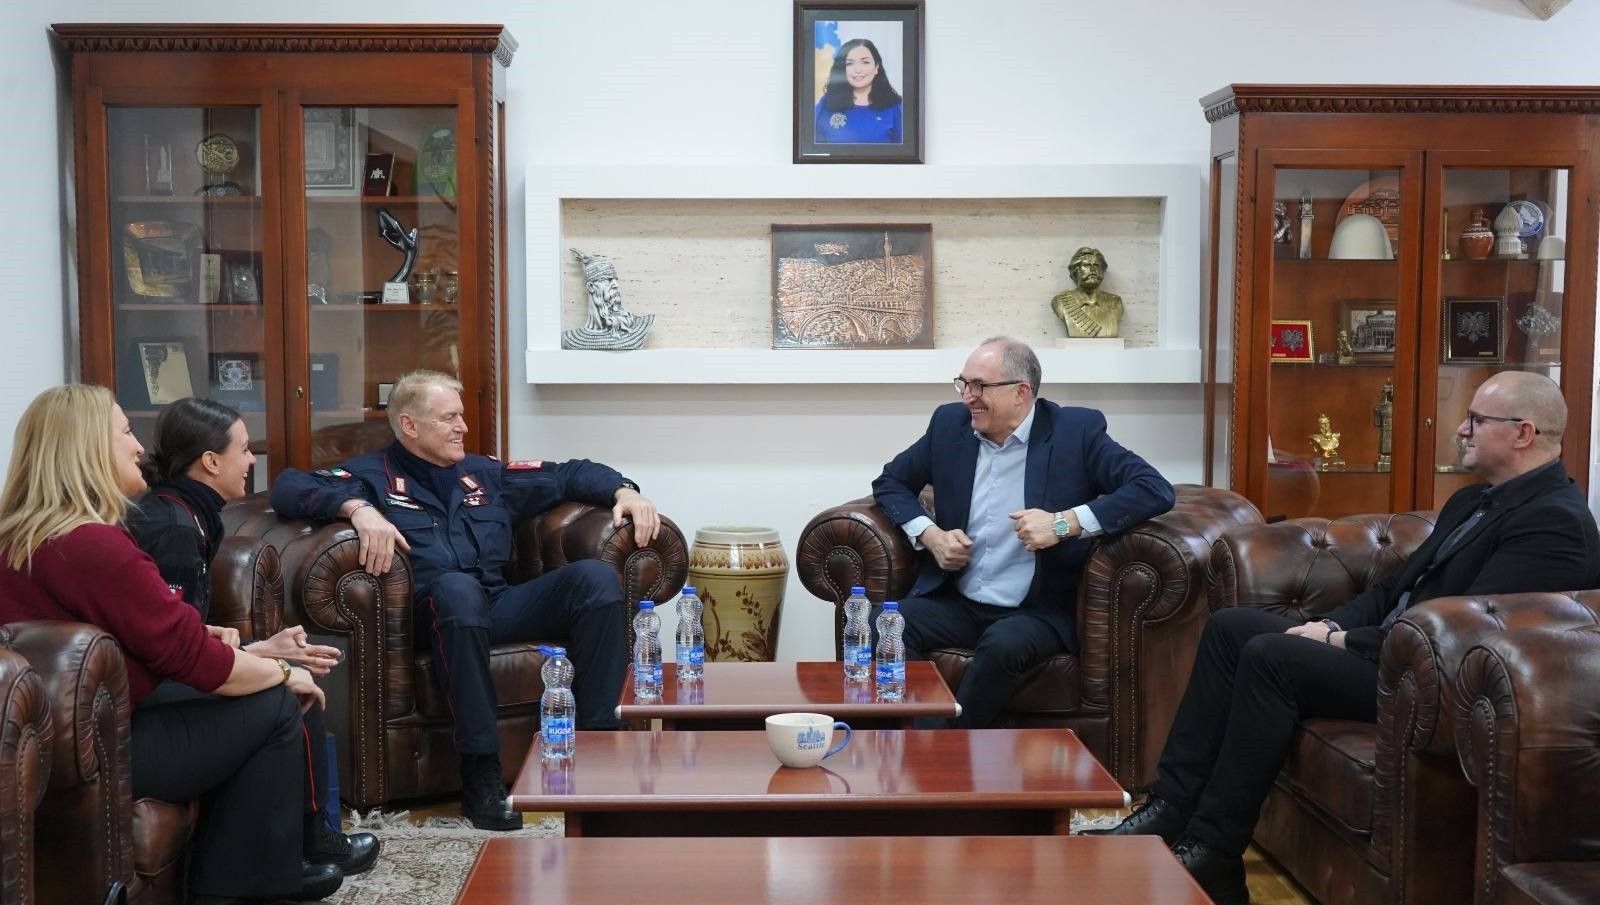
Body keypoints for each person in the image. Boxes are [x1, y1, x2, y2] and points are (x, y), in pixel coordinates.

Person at [1086, 370, 1600, 905]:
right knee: (1229, 628)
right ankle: (1170, 807)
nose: (1460, 430)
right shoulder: (1470, 502)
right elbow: (1392, 590)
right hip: (1388, 652)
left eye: (1475, 420)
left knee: (1271, 657)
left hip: (1433, 686)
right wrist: (1332, 625)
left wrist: (1343, 644)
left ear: (1522, 432)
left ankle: (1214, 850)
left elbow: (1467, 638)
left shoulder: (1554, 525)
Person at [270, 369, 659, 830]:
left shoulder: (484, 474)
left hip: (496, 605)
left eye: (461, 416)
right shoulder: (369, 477)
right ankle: (481, 775)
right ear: (409, 424)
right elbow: (288, 486)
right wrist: (357, 509)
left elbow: (570, 473)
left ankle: (599, 748)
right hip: (429, 615)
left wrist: (624, 491)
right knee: (457, 589)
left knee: (595, 579)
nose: (463, 427)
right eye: (448, 418)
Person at [0, 385, 340, 905]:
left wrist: (222, 644)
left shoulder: (22, 538)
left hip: (49, 748)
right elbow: (195, 662)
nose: (140, 446)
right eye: (125, 431)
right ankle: (239, 892)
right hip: (101, 752)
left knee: (262, 694)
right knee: (275, 705)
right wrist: (287, 671)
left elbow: (134, 635)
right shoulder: (93, 544)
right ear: (89, 448)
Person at [125, 397, 379, 876]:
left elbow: (180, 636)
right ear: (210, 461)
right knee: (291, 691)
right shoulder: (172, 529)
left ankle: (303, 840)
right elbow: (169, 653)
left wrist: (256, 650)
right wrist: (265, 664)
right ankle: (315, 839)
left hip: (167, 677)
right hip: (150, 700)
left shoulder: (189, 514)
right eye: (242, 449)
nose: (251, 459)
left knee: (285, 676)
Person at [871, 337, 1175, 729]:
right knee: (885, 624)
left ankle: (945, 748)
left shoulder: (1074, 433)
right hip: (959, 600)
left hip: (1036, 610)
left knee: (1003, 645)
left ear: (1021, 392)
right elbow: (891, 482)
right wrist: (931, 536)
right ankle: (924, 740)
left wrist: (1063, 523)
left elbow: (1153, 488)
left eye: (980, 386)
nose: (967, 396)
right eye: (964, 383)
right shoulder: (949, 425)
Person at [814, 38, 903, 144]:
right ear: (842, 69)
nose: (857, 70)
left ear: (876, 68)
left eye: (865, 62)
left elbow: (904, 151)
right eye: (850, 63)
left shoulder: (896, 107)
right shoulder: (826, 103)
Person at [1051, 247, 1125, 338]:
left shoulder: (1115, 302)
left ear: (1102, 272)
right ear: (1075, 271)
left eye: (1096, 266)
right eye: (1087, 265)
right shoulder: (1061, 301)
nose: (1093, 269)